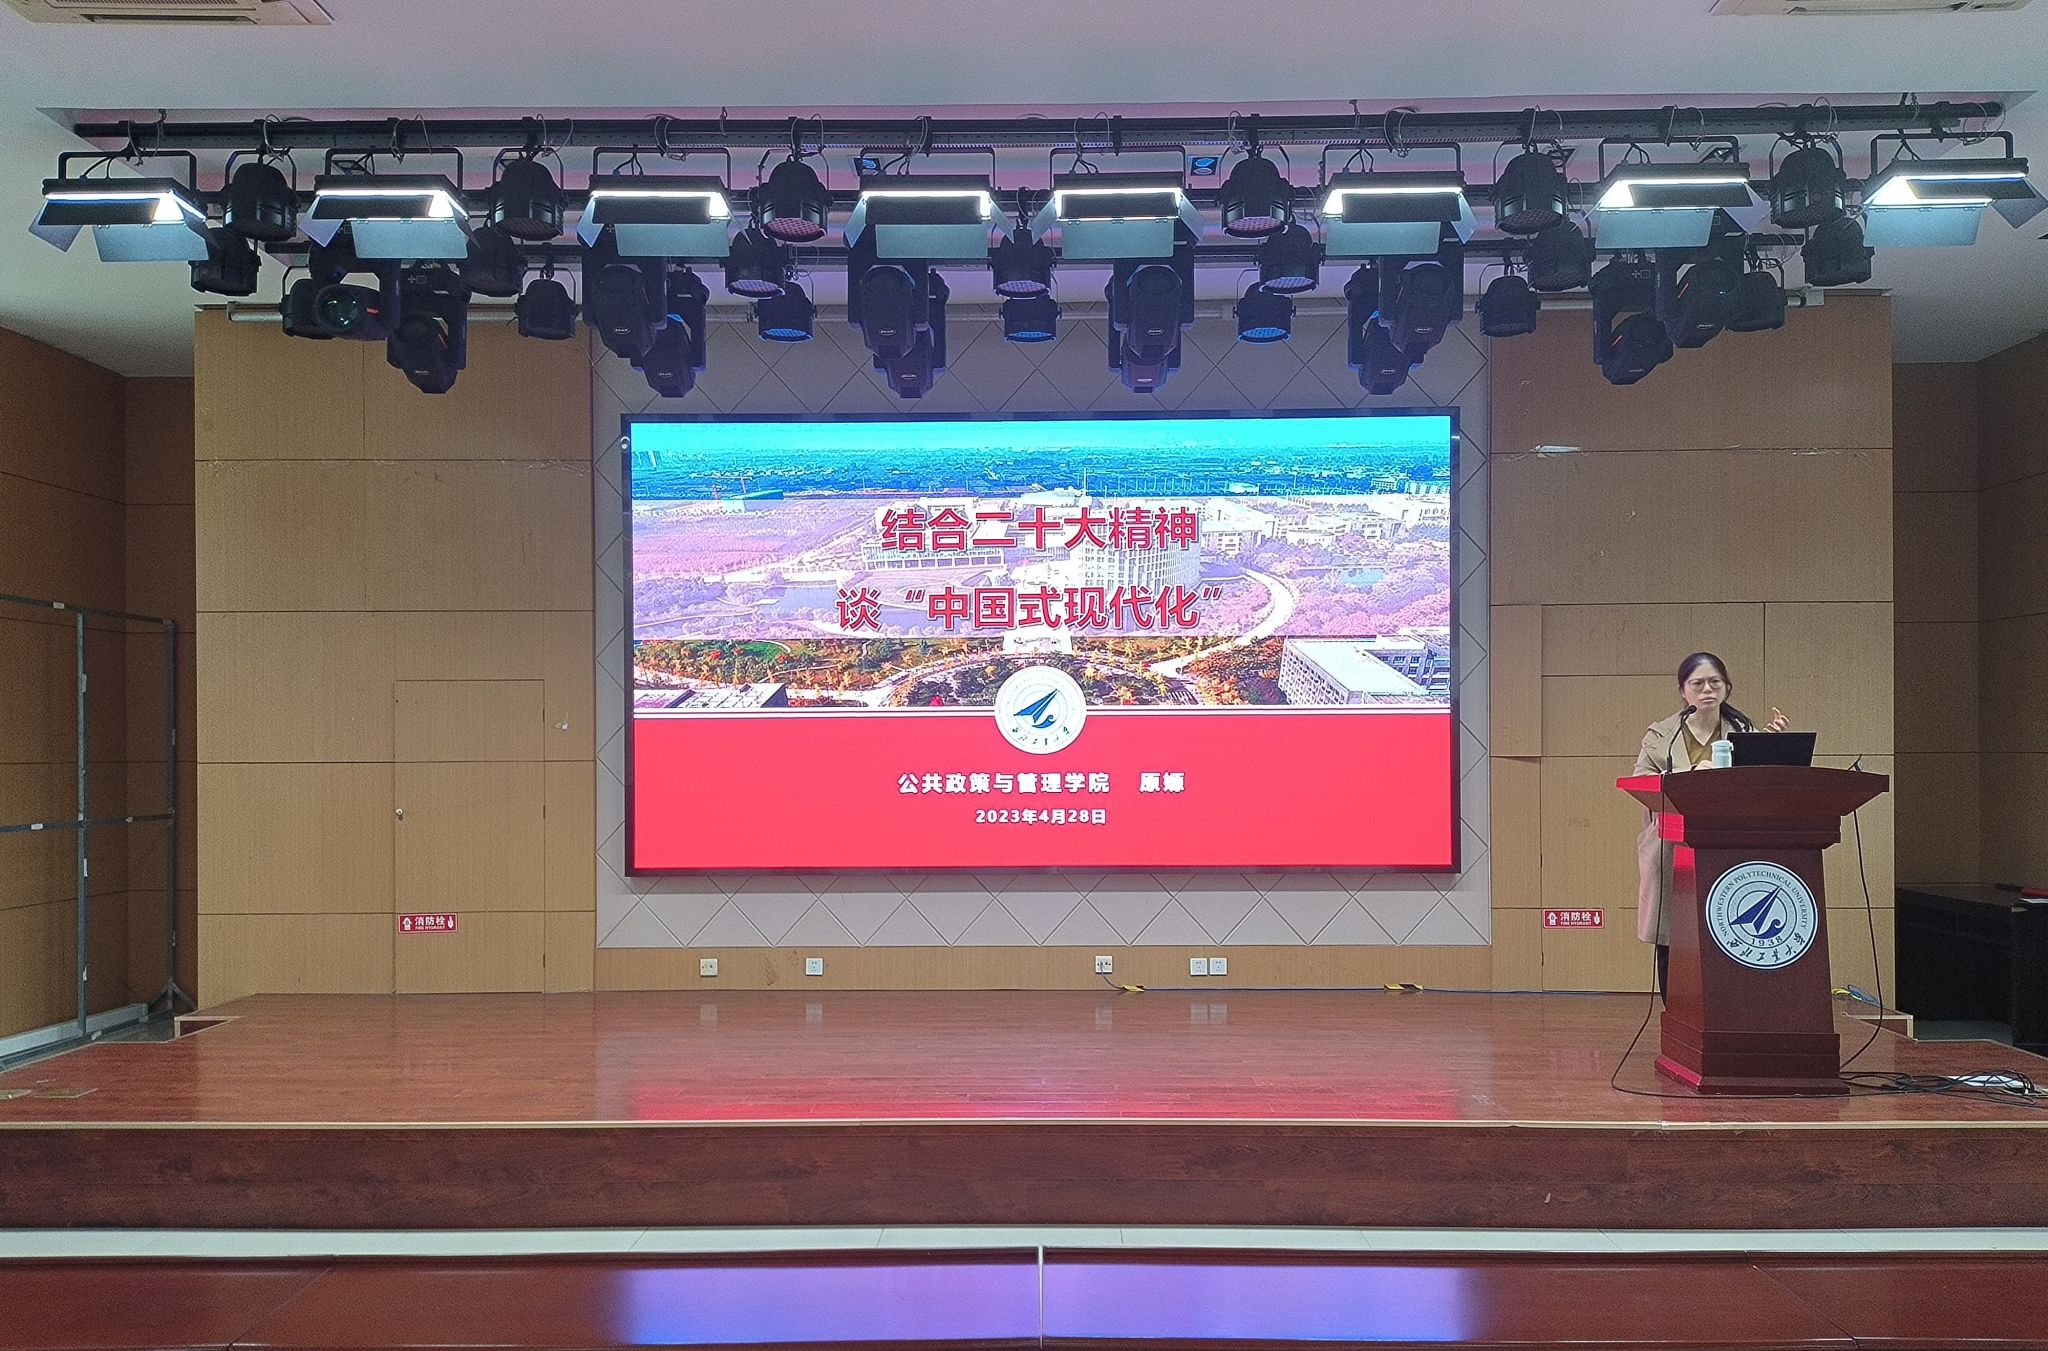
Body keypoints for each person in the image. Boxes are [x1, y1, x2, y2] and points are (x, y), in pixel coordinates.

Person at [1632, 652, 1789, 995]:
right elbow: (1641, 783)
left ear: (1726, 688)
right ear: (1683, 691)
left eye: (1715, 683)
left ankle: (1725, 1004)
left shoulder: (1743, 731)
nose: (1707, 690)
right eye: (1698, 683)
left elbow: (1758, 786)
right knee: (1673, 935)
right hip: (1671, 846)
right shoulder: (1662, 734)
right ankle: (1675, 1008)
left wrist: (1770, 745)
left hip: (1727, 846)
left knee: (1726, 927)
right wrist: (1690, 775)